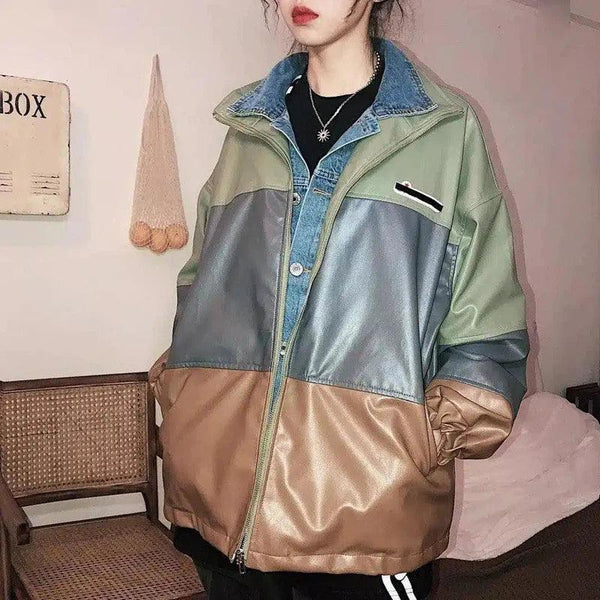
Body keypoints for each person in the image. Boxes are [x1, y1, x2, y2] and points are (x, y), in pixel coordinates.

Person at [148, 1, 530, 599]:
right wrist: (183, 392)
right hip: (222, 505)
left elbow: (489, 330)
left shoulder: (445, 130)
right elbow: (200, 290)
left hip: (367, 523)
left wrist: (418, 438)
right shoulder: (248, 128)